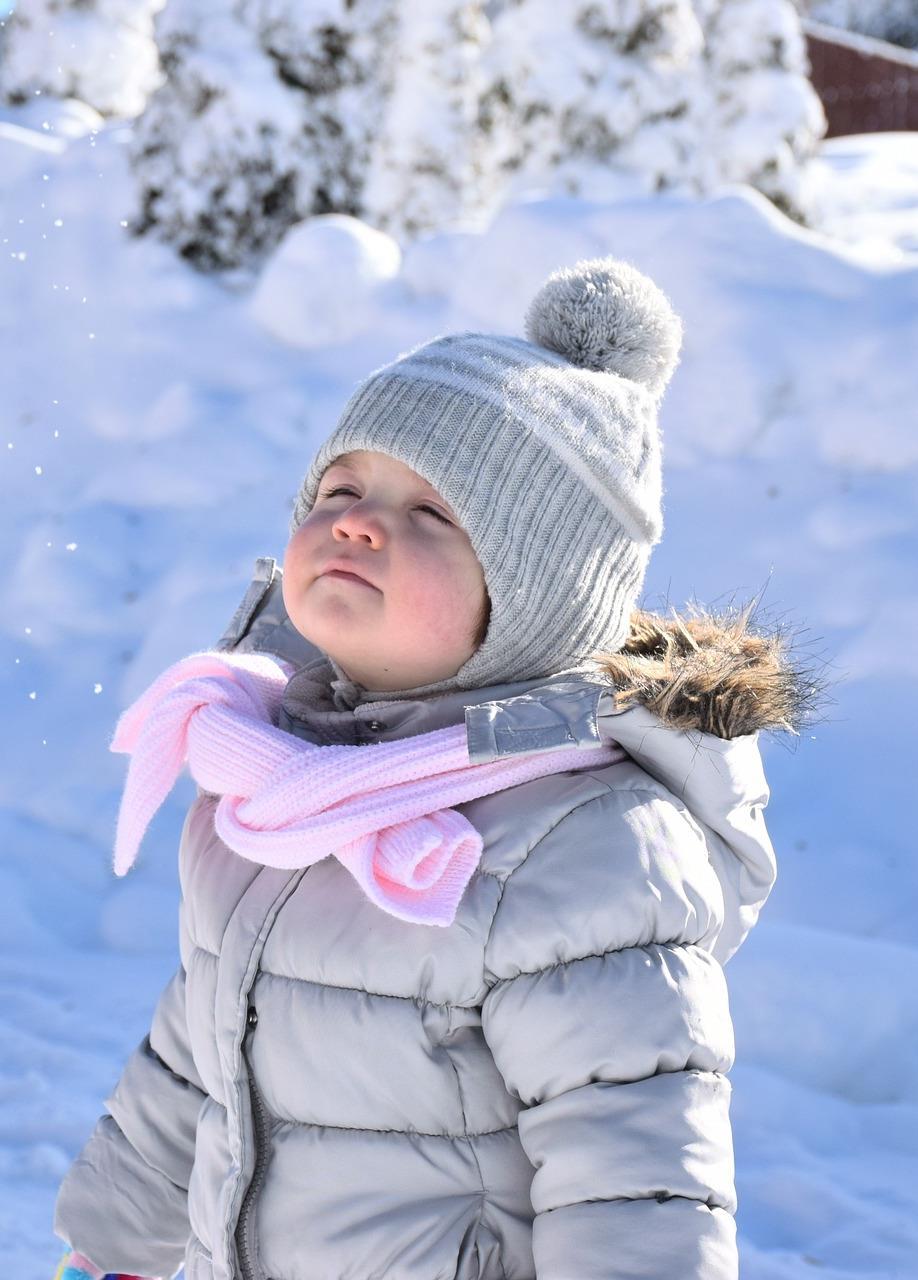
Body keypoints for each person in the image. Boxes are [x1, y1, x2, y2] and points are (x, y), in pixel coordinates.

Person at [52, 256, 819, 1280]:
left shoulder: (585, 840)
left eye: (436, 515)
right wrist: (114, 1250)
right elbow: (196, 1056)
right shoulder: (276, 779)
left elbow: (635, 1178)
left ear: (534, 600)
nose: (360, 520)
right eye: (343, 486)